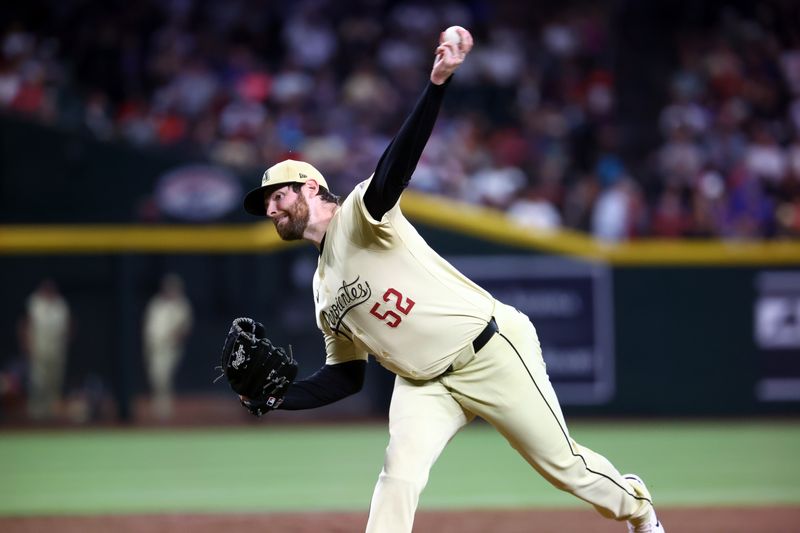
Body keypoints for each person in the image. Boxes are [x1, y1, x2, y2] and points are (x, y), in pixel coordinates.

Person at [241, 28, 665, 533]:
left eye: (278, 196)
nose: (270, 208)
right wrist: (279, 396)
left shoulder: (359, 214)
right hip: (424, 386)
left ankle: (638, 510)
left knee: (565, 468)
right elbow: (346, 376)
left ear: (310, 186)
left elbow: (395, 167)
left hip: (489, 350)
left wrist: (436, 84)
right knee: (397, 478)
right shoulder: (321, 289)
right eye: (266, 204)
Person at [142, 273, 193, 421]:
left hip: (170, 348)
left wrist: (172, 339)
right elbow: (148, 325)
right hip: (153, 346)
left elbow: (184, 328)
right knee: (155, 376)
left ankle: (164, 410)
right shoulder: (156, 303)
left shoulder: (182, 304)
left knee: (162, 375)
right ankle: (161, 406)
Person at [21, 278, 72, 421]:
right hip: (39, 350)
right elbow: (26, 325)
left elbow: (68, 325)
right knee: (38, 382)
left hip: (57, 350)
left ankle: (51, 412)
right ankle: (36, 413)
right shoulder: (34, 303)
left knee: (54, 382)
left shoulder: (61, 305)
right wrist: (27, 345)